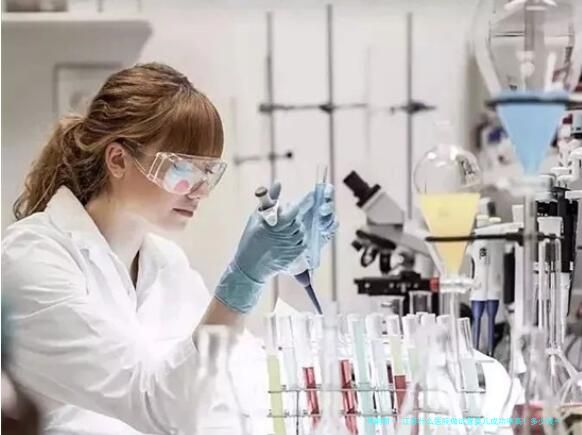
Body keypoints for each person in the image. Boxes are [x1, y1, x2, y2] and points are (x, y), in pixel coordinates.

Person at [2, 62, 337, 434]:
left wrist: (289, 271)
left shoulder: (165, 264)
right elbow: (157, 405)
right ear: (118, 160)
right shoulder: (32, 258)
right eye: (183, 169)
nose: (200, 191)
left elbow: (241, 380)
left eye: (208, 172)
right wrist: (243, 282)